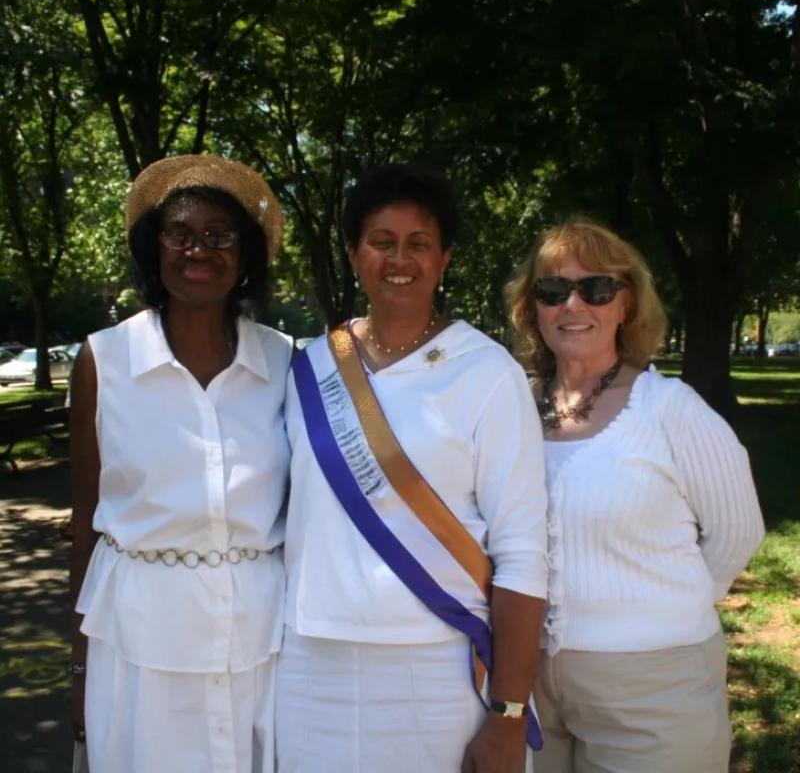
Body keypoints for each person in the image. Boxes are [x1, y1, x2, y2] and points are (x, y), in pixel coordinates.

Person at [277, 163, 549, 773]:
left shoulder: (487, 372)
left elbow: (524, 552)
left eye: (418, 243)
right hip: (310, 664)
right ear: (353, 253)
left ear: (444, 258)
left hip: (438, 667)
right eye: (381, 241)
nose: (400, 259)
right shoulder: (310, 368)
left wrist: (508, 714)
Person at [505, 218, 765, 773]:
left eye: (596, 288)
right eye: (553, 291)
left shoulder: (669, 409)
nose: (574, 305)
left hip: (653, 687)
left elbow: (738, 532)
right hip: (526, 685)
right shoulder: (510, 408)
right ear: (533, 308)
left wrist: (670, 606)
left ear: (626, 305)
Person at [69, 155, 291, 773]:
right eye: (180, 233)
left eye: (219, 235)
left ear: (245, 257)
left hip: (260, 642)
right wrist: (77, 664)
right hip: (140, 643)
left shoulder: (282, 362)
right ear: (154, 250)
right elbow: (85, 519)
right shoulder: (104, 360)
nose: (199, 249)